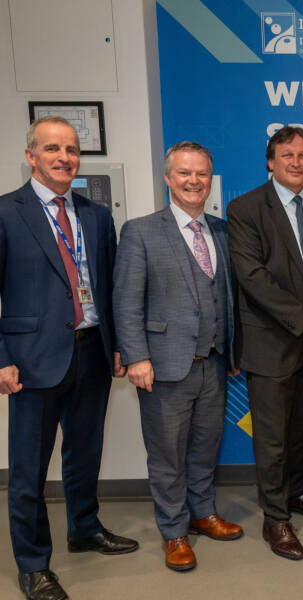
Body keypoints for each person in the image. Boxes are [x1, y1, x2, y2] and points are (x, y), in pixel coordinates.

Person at [0, 116, 138, 600]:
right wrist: (1, 358)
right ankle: (34, 564)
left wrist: (119, 343)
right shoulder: (5, 212)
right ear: (31, 155)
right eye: (53, 148)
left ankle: (84, 529)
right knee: (27, 470)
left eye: (72, 149)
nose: (64, 157)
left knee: (85, 455)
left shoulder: (95, 215)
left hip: (92, 353)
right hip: (32, 361)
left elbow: (109, 286)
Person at [113, 141, 242, 572]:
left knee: (205, 448)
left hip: (214, 363)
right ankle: (173, 531)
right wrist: (135, 357)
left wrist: (234, 350)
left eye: (201, 174)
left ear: (210, 180)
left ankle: (203, 514)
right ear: (168, 178)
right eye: (184, 173)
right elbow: (126, 301)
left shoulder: (221, 231)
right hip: (163, 365)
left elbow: (228, 297)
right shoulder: (140, 230)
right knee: (167, 453)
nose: (193, 181)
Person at [227, 126, 303, 561]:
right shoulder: (245, 208)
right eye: (287, 154)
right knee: (272, 440)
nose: (296, 162)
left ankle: (296, 495)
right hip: (272, 342)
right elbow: (252, 277)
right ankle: (275, 519)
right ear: (270, 162)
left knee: (302, 432)